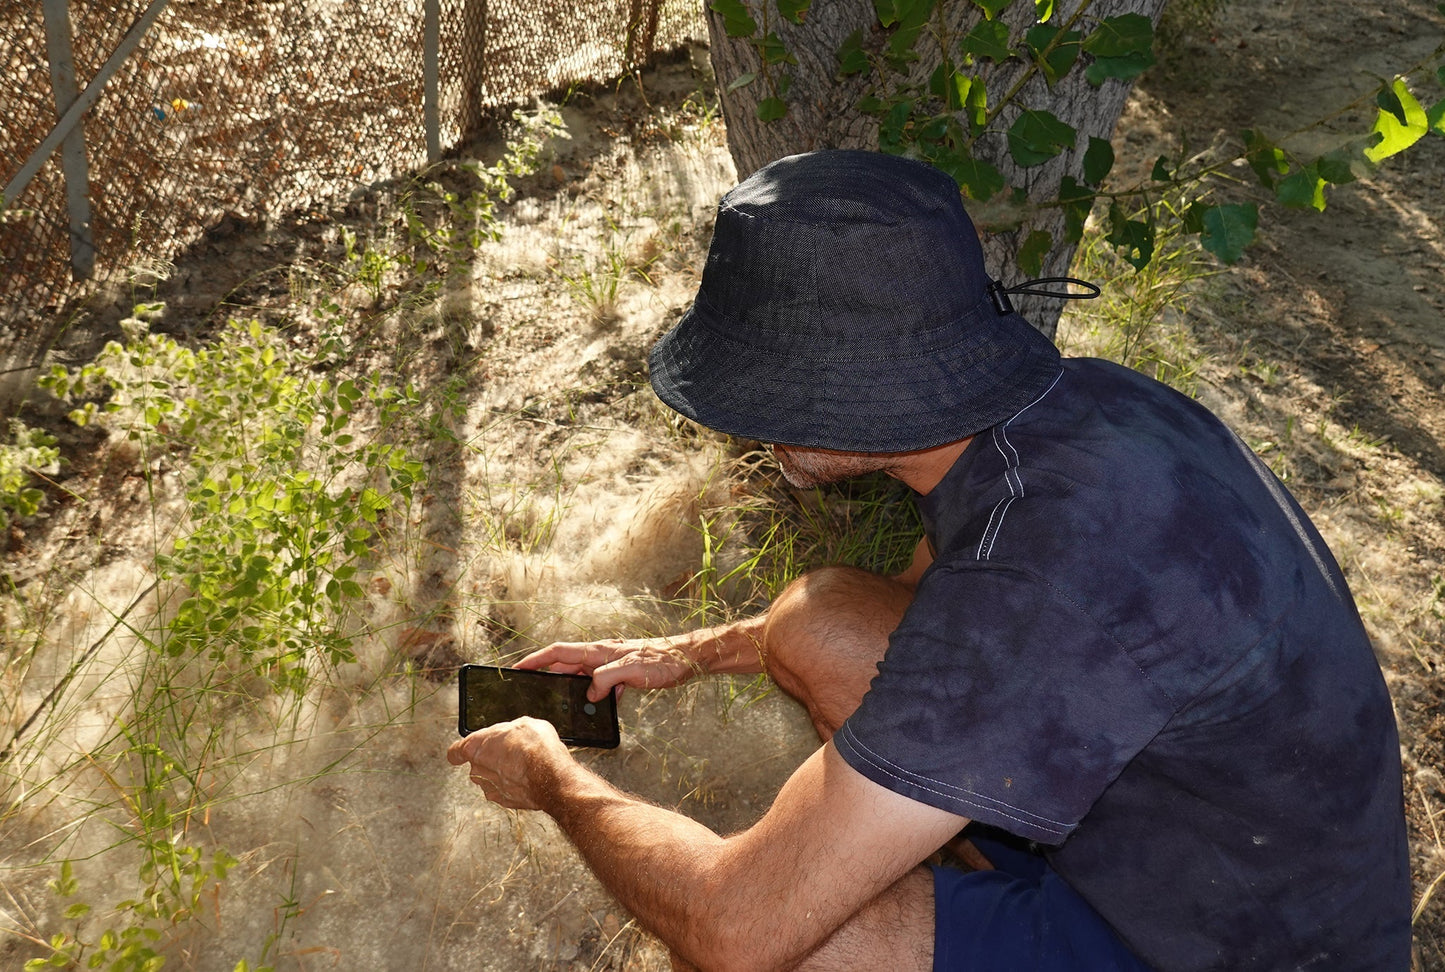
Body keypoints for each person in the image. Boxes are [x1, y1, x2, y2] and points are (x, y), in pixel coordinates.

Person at [447, 150, 1411, 971]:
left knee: (808, 944)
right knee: (817, 619)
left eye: (768, 388)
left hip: (1215, 946)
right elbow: (928, 601)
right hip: (1194, 841)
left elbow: (732, 930)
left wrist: (554, 782)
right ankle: (948, 853)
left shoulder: (1037, 590)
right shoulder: (1069, 415)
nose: (743, 422)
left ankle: (960, 889)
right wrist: (688, 653)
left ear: (854, 395)